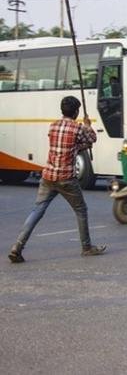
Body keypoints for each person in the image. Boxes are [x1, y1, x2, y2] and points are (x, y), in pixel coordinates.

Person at [8, 96, 107, 263]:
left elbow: (67, 146)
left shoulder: (53, 126)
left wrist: (80, 144)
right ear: (76, 112)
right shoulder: (78, 128)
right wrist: (88, 126)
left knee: (37, 211)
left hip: (48, 176)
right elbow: (91, 139)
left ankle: (17, 247)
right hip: (66, 178)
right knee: (81, 210)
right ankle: (86, 247)